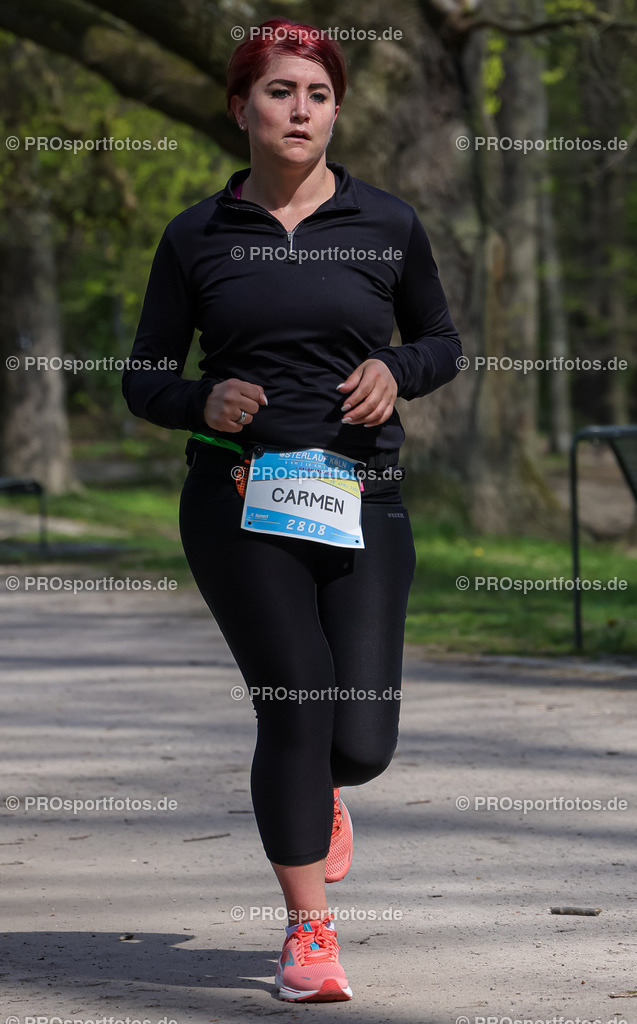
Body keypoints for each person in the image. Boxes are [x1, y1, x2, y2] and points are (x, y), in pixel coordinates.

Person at [122, 17, 462, 1004]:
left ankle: (321, 788)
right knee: (296, 702)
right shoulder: (195, 235)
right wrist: (201, 399)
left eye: (316, 94)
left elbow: (440, 338)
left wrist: (395, 369)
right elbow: (143, 374)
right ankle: (309, 931)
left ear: (335, 110)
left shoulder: (387, 224)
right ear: (241, 108)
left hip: (365, 495)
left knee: (359, 742)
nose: (299, 110)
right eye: (279, 92)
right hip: (238, 496)